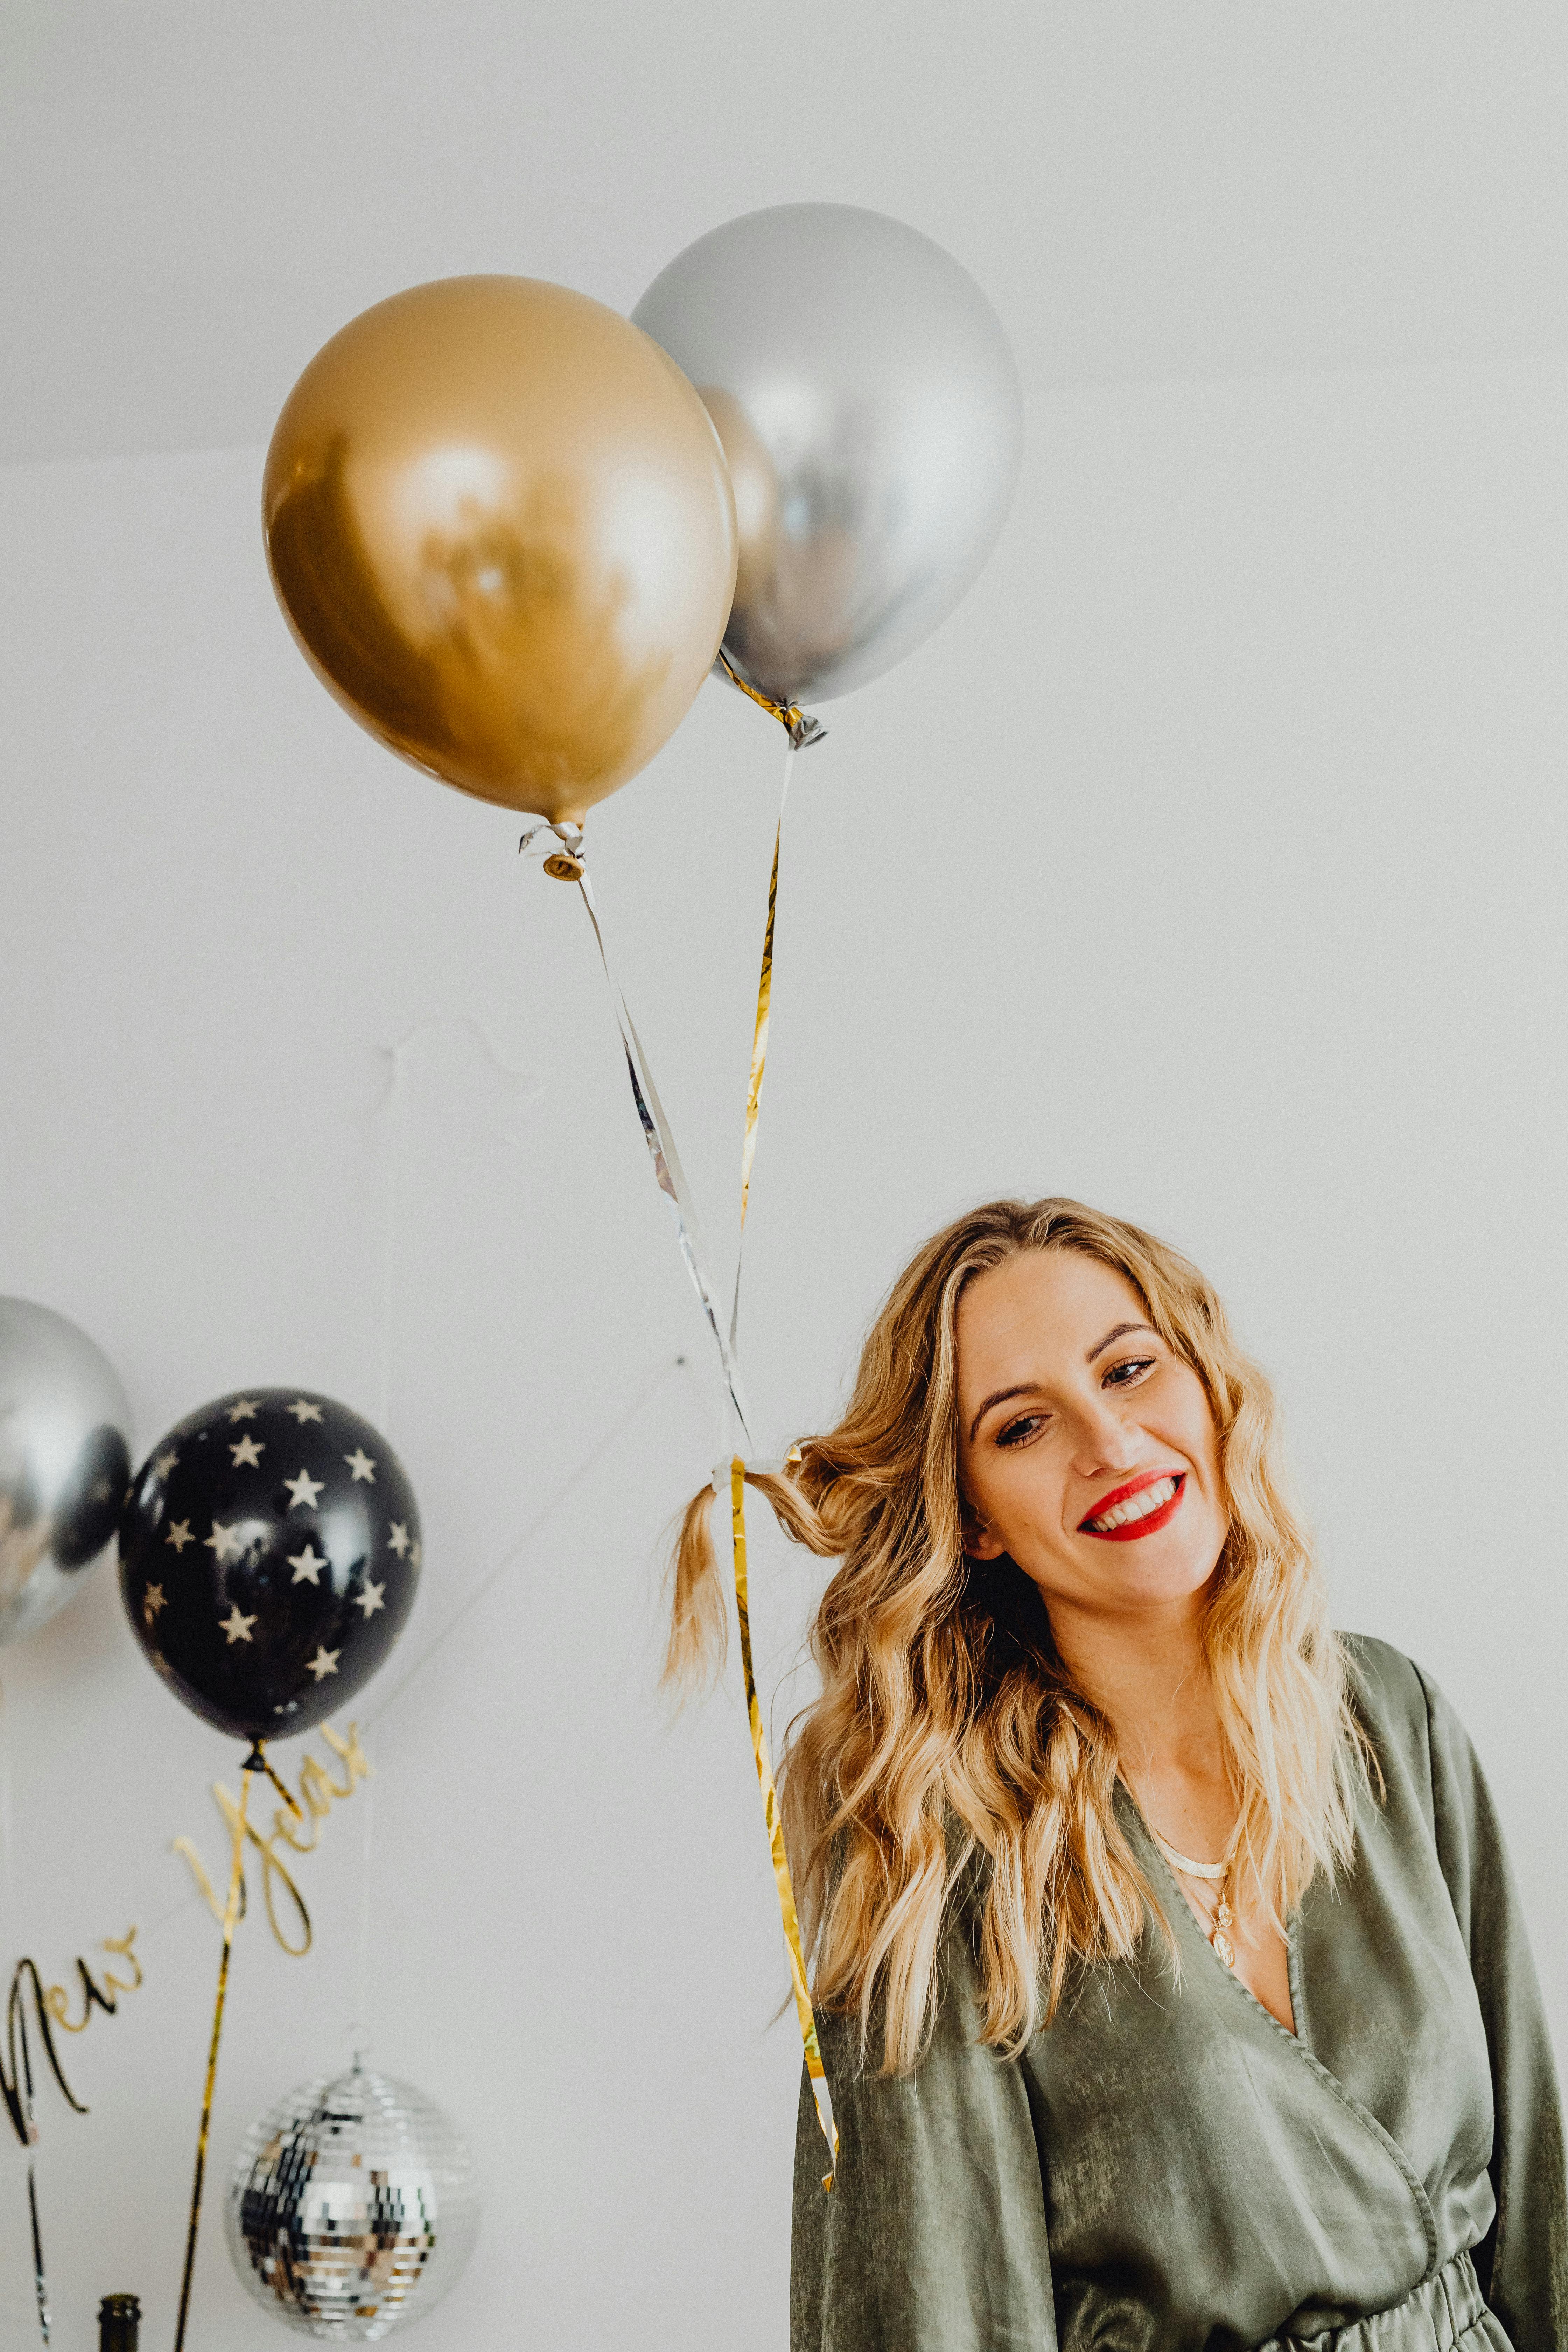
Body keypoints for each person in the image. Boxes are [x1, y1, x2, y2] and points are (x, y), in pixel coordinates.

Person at [668, 1197, 1567, 2350]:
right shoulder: (931, 1841)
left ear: (1206, 1382)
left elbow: (1542, 2193)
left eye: (1130, 1370)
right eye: (1021, 1427)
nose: (1109, 1442)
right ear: (976, 1519)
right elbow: (933, 2309)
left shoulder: (1387, 1717)